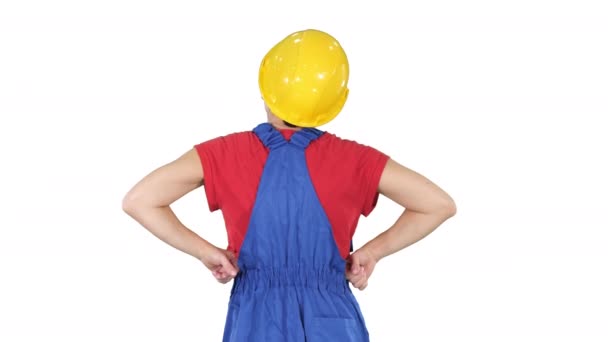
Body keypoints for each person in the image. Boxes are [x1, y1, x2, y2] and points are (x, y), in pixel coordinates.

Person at [122, 29, 456, 342]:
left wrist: (206, 253)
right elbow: (438, 204)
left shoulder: (223, 155)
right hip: (332, 316)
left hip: (255, 318)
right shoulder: (356, 160)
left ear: (266, 89)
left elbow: (139, 200)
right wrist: (372, 252)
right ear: (332, 103)